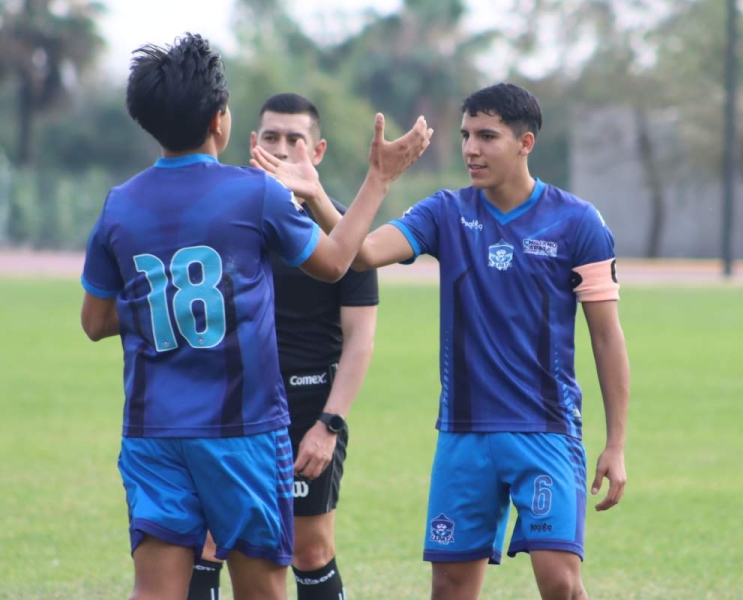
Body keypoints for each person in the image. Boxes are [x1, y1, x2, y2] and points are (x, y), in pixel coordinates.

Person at [79, 34, 430, 600]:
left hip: (153, 431)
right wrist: (379, 180)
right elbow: (339, 260)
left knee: (155, 592)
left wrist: (163, 296)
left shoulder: (120, 203)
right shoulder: (252, 195)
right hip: (242, 431)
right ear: (221, 121)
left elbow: (94, 321)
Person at [252, 82, 630, 600]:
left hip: (546, 431)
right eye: (466, 135)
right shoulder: (446, 213)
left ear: (526, 143)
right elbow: (359, 253)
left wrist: (615, 443)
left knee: (560, 583)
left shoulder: (578, 223)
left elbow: (607, 339)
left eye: (487, 136)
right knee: (450, 586)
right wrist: (321, 195)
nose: (471, 148)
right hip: (463, 435)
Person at [187, 93, 379, 600]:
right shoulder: (225, 220)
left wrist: (329, 424)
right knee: (207, 540)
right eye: (271, 137)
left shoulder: (343, 228)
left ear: (317, 151)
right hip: (231, 405)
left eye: (296, 139)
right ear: (252, 145)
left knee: (309, 549)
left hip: (308, 409)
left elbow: (361, 338)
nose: (283, 147)